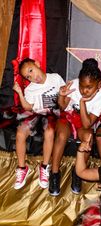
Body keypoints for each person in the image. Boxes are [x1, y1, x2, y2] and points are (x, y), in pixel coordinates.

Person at [49, 58, 101, 196]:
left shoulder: (100, 99)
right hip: (67, 117)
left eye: (89, 87)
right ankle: (55, 173)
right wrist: (61, 96)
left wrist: (82, 102)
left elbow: (87, 124)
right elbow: (62, 107)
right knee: (61, 135)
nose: (84, 90)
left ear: (99, 85)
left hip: (84, 122)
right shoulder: (74, 85)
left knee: (88, 138)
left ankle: (78, 172)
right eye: (82, 86)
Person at [12, 58, 65, 190]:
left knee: (49, 131)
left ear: (37, 64)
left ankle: (45, 166)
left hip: (52, 114)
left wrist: (62, 97)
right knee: (20, 132)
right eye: (28, 77)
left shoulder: (55, 78)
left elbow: (64, 98)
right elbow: (28, 107)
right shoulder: (30, 89)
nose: (33, 77)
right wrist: (20, 93)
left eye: (31, 70)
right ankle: (22, 168)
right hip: (36, 114)